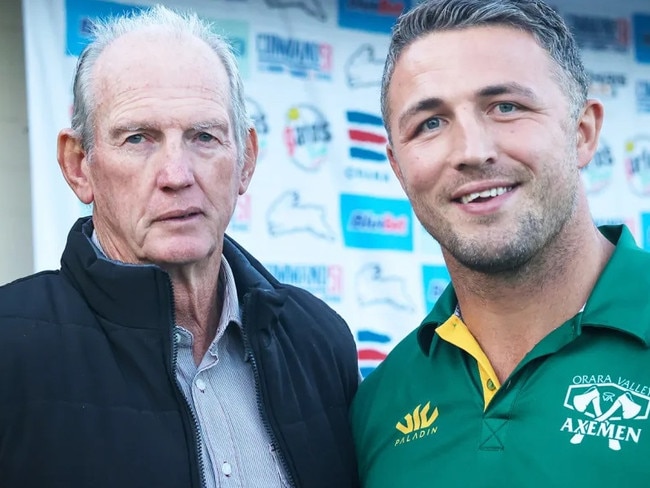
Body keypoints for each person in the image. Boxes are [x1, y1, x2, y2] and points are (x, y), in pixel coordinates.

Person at [0, 5, 360, 488]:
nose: (176, 175)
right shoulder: (10, 347)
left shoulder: (318, 342)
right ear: (79, 164)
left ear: (246, 161)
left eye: (204, 136)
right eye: (137, 138)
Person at [351, 0, 650, 485]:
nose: (472, 151)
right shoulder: (380, 402)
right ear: (398, 168)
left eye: (506, 107)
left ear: (583, 131)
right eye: (430, 123)